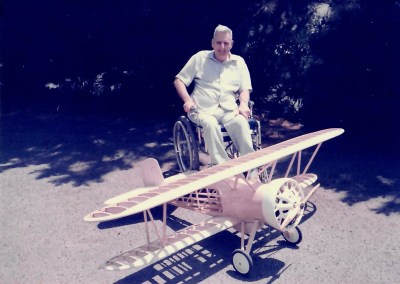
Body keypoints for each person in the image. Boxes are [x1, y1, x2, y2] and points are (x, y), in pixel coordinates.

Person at [174, 24, 254, 166]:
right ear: (212, 43)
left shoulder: (239, 62)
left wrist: (243, 104)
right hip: (201, 110)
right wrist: (187, 100)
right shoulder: (200, 58)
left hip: (229, 110)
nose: (222, 47)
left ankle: (251, 168)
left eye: (226, 43)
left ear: (231, 44)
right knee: (210, 124)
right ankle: (222, 168)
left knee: (242, 122)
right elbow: (179, 81)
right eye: (218, 42)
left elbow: (244, 89)